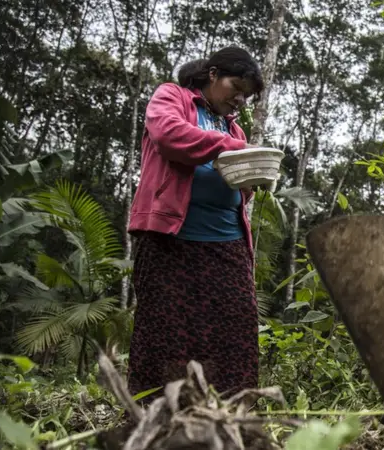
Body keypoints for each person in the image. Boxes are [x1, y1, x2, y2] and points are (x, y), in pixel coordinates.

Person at [126, 45, 264, 400]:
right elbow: (168, 135)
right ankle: (160, 420)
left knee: (235, 331)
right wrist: (227, 148)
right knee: (166, 332)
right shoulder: (172, 97)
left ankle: (230, 418)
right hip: (171, 240)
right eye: (237, 88)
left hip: (227, 243)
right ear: (213, 74)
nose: (240, 101)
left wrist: (250, 179)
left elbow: (238, 186)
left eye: (246, 97)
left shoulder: (235, 131)